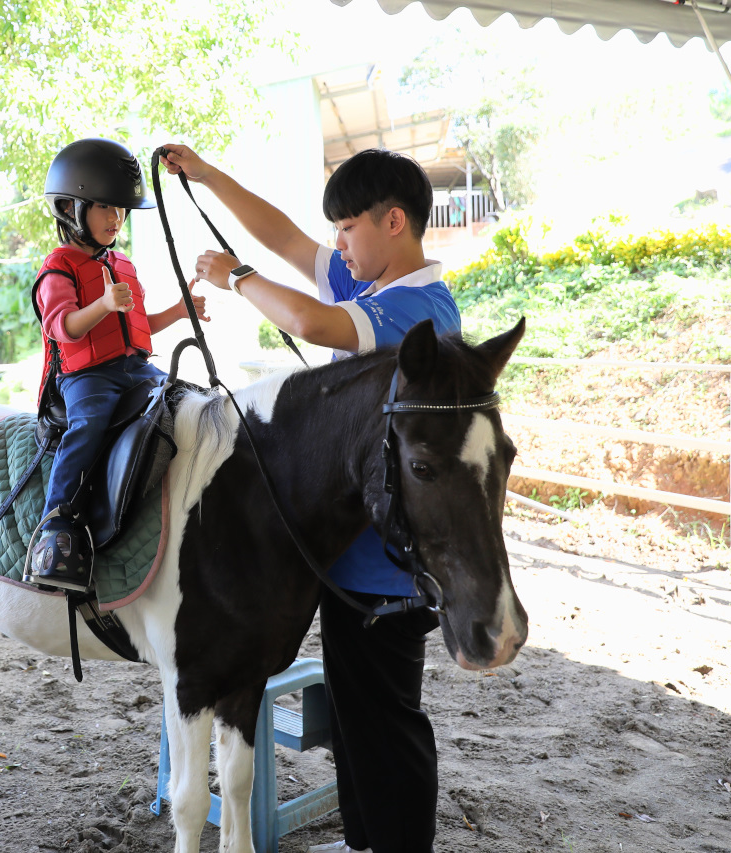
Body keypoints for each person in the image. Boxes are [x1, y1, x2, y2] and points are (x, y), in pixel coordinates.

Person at [162, 144, 459, 853]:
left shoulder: (412, 311)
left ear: (393, 221)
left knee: (387, 720)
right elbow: (286, 239)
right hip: (349, 560)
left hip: (388, 571)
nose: (336, 245)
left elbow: (311, 322)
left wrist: (234, 277)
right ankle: (365, 841)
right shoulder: (369, 281)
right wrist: (208, 177)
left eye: (347, 228)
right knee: (357, 714)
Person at [24, 137, 208, 593]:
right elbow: (63, 328)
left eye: (121, 210)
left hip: (134, 366)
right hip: (86, 376)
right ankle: (56, 524)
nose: (116, 219)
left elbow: (140, 324)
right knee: (88, 425)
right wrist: (104, 303)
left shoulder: (120, 264)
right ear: (70, 207)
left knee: (187, 399)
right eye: (105, 207)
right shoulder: (58, 269)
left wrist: (180, 309)